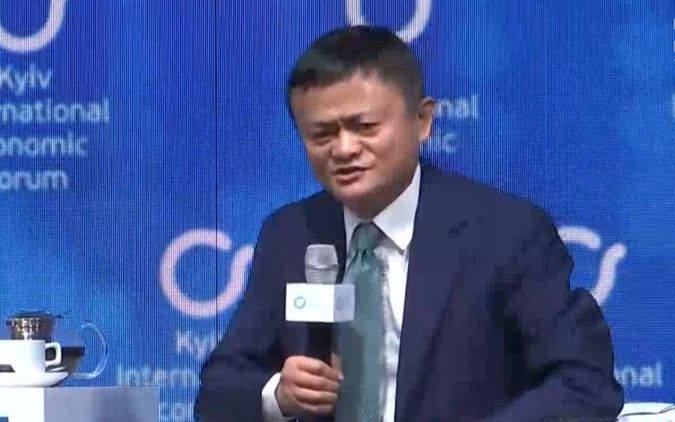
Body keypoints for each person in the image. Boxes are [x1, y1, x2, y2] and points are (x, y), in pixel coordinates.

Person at [195, 25, 624, 422]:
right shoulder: (291, 233)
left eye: (364, 127)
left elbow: (583, 382)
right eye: (322, 134)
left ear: (423, 120)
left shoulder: (505, 232)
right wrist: (279, 394)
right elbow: (219, 389)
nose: (343, 149)